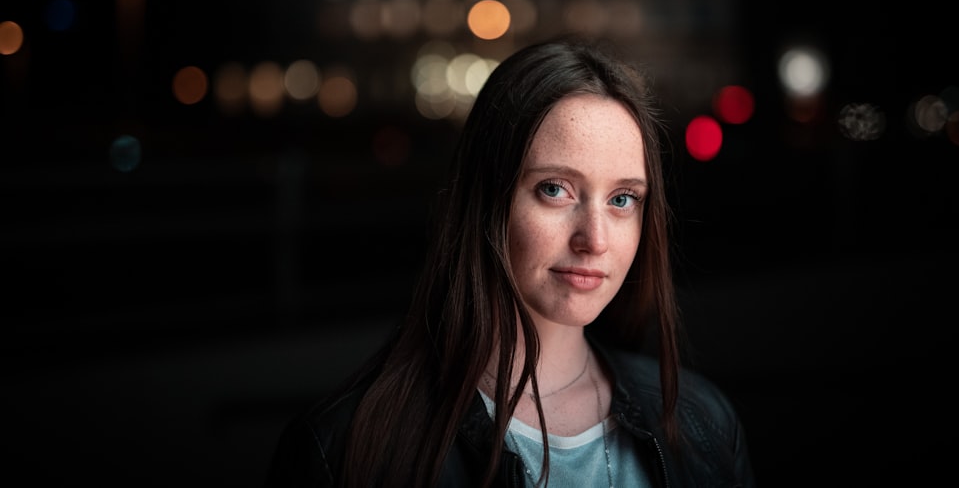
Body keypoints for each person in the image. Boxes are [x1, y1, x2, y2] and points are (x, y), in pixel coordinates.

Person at [265, 34, 755, 487]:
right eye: (554, 189)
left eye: (623, 198)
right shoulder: (345, 453)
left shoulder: (703, 421)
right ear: (486, 200)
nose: (595, 239)